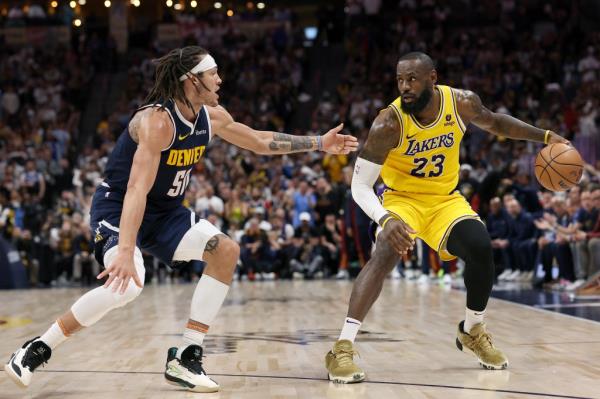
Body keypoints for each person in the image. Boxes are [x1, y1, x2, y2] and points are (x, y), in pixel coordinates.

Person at [4, 46, 358, 393]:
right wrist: (126, 250)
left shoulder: (211, 115)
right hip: (119, 207)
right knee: (126, 286)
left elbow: (259, 141)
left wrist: (318, 143)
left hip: (165, 213)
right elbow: (136, 191)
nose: (220, 79)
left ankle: (187, 355)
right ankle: (36, 348)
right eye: (212, 74)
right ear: (192, 81)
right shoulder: (157, 122)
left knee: (225, 251)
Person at [324, 52, 570, 383]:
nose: (405, 86)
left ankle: (472, 330)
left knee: (481, 247)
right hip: (402, 200)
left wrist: (544, 136)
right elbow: (360, 185)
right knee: (384, 252)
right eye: (400, 79)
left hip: (444, 200)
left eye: (412, 78)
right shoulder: (389, 122)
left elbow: (496, 122)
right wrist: (385, 219)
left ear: (432, 78)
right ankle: (342, 348)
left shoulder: (462, 103)